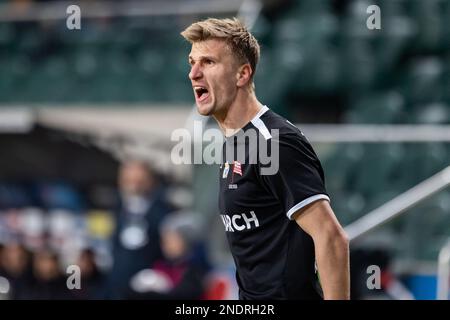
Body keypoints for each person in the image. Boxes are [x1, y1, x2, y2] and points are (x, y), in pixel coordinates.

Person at [181, 17, 350, 300]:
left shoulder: (275, 141)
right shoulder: (235, 143)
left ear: (242, 74)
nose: (194, 73)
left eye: (208, 62)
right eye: (192, 62)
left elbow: (331, 238)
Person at [108, 160, 173, 299]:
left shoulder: (163, 213)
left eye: (139, 181)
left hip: (148, 290)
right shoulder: (116, 209)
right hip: (117, 288)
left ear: (151, 182)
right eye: (128, 181)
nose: (134, 187)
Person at [126, 211, 210, 300]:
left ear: (186, 241)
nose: (166, 245)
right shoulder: (161, 266)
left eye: (172, 240)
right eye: (164, 240)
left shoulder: (195, 273)